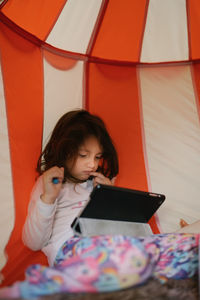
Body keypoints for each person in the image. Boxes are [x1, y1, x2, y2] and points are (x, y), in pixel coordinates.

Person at [22, 109, 119, 266]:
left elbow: (117, 228)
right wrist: (48, 199)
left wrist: (110, 197)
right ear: (64, 150)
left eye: (98, 157)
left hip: (108, 247)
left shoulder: (99, 182)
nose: (92, 164)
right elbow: (33, 243)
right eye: (83, 155)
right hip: (72, 253)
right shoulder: (50, 183)